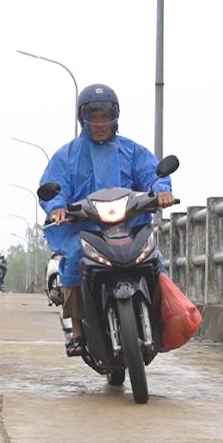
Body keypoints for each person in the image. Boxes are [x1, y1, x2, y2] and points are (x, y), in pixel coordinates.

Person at [39, 84, 176, 357]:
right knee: (71, 264)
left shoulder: (131, 150)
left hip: (129, 224)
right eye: (94, 116)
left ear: (115, 117)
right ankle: (77, 330)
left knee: (155, 260)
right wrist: (56, 207)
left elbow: (153, 173)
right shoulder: (67, 155)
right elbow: (54, 185)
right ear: (83, 119)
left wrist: (162, 191)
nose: (100, 123)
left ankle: (166, 316)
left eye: (105, 116)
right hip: (85, 227)